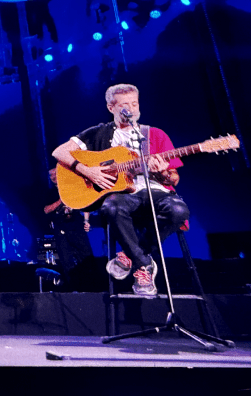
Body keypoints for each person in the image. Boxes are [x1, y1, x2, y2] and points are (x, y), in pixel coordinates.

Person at [51, 84, 189, 297]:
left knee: (179, 211)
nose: (131, 109)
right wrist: (88, 171)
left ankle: (131, 256)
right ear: (111, 107)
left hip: (155, 191)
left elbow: (174, 179)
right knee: (111, 207)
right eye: (125, 105)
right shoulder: (98, 133)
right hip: (123, 196)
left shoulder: (154, 134)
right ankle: (144, 264)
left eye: (135, 103)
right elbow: (59, 152)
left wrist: (161, 172)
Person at [43, 168, 97, 291]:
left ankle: (92, 288)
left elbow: (86, 203)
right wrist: (61, 200)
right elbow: (46, 210)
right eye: (50, 175)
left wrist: (86, 221)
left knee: (86, 256)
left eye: (55, 173)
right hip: (60, 229)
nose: (53, 176)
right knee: (66, 260)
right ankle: (74, 289)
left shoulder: (72, 186)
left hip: (76, 226)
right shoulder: (50, 192)